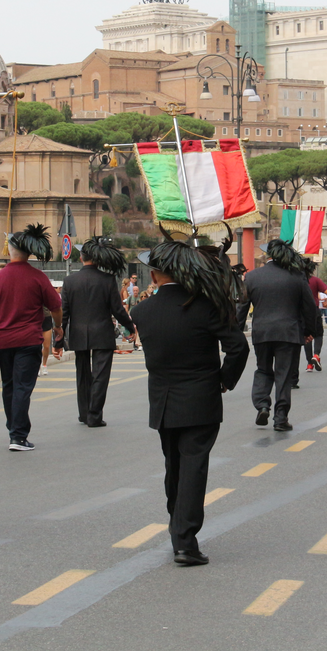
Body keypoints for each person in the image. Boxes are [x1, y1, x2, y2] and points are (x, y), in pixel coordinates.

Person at [131, 235, 249, 566]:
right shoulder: (206, 306)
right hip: (201, 397)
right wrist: (225, 379)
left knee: (175, 467)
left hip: (163, 401)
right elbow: (238, 347)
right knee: (194, 468)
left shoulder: (142, 311)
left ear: (154, 275)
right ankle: (185, 540)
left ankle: (177, 527)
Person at [0, 225, 62, 451]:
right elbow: (55, 306)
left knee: (10, 386)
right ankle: (18, 436)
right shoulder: (38, 277)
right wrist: (58, 327)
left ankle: (13, 428)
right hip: (28, 339)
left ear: (10, 251)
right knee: (23, 387)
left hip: (2, 341)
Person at [236, 240, 317, 431]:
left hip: (262, 332)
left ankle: (262, 405)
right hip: (289, 333)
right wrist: (309, 331)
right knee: (284, 375)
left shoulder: (252, 277)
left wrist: (237, 332)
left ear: (268, 256)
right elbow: (309, 307)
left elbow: (241, 307)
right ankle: (280, 418)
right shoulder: (297, 276)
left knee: (263, 369)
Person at [59, 238, 134, 427]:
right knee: (100, 375)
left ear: (80, 257)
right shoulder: (108, 280)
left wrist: (58, 342)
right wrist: (130, 327)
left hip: (78, 333)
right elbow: (117, 310)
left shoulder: (69, 281)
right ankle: (94, 415)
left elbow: (64, 314)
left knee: (82, 375)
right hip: (102, 332)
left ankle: (83, 413)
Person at [303, 259, 327, 374]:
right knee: (318, 334)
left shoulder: (298, 280)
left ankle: (309, 363)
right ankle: (316, 355)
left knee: (306, 336)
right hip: (314, 310)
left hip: (302, 311)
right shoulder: (315, 280)